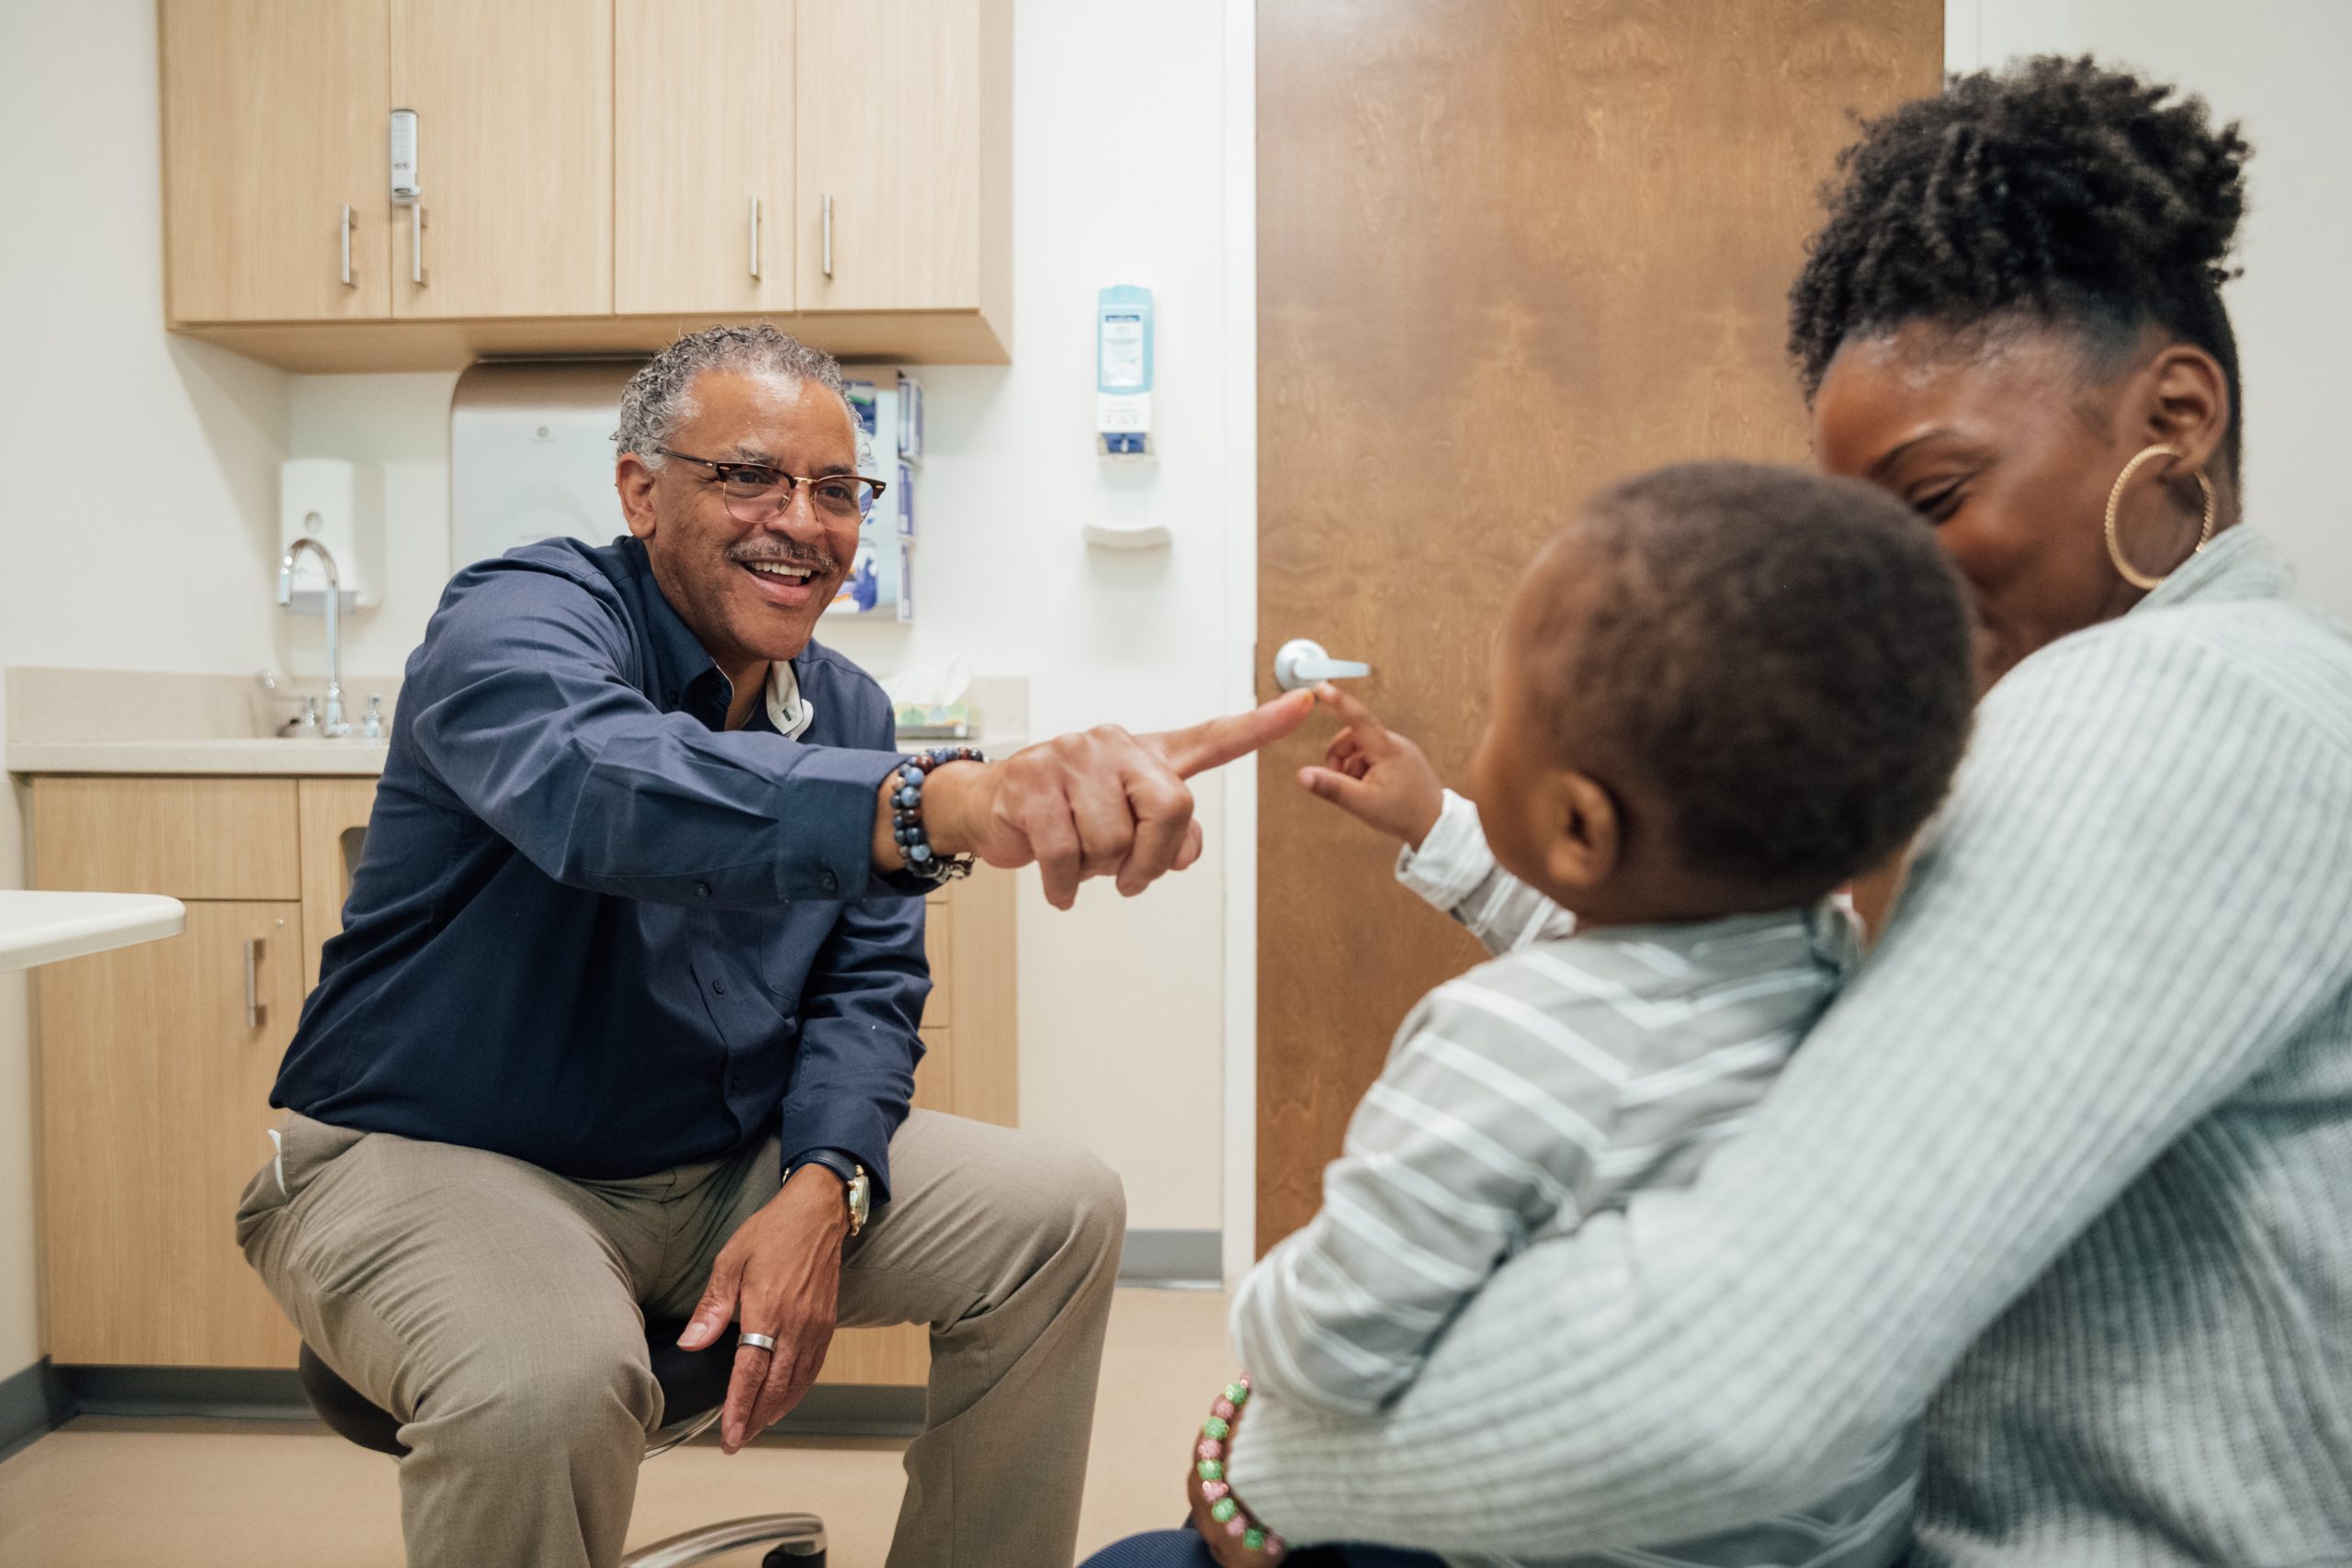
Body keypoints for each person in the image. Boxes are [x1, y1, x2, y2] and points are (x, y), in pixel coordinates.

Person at [1157, 55, 2352, 1568]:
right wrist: (1451, 831)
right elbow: (1688, 973)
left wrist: (1268, 1466)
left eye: (1934, 498)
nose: (1890, 589)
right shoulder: (2212, 696)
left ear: (2174, 417)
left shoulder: (2160, 711)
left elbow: (1732, 1382)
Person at [234, 323, 1311, 1568]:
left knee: (1059, 1211)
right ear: (641, 490)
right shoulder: (519, 618)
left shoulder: (848, 709)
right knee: (545, 1382)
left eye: (837, 490)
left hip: (707, 1170)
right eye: (749, 475)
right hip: (441, 1157)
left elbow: (868, 986)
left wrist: (825, 1182)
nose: (801, 521)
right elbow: (602, 787)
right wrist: (937, 801)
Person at [1091, 463, 1976, 1568]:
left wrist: (1251, 1342)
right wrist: (1434, 821)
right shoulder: (1850, 971)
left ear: (1578, 825)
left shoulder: (1498, 1039)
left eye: (1501, 714)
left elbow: (1328, 1348)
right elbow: (1627, 962)